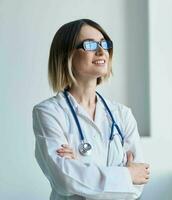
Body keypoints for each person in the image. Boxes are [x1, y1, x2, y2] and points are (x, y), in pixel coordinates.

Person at [32, 19, 150, 200]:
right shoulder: (49, 113)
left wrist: (80, 171)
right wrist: (126, 175)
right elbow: (64, 180)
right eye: (90, 45)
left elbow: (138, 184)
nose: (102, 51)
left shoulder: (122, 114)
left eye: (104, 44)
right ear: (67, 55)